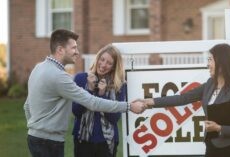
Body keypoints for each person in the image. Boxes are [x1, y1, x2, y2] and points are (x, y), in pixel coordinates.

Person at [23, 29, 146, 157]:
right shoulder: (60, 76)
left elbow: (27, 105)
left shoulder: (38, 68)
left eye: (109, 63)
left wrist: (34, 129)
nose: (77, 52)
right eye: (74, 48)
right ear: (60, 50)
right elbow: (91, 103)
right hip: (49, 142)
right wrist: (129, 106)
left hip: (36, 138)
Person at [141, 43, 230, 157]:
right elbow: (182, 98)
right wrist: (151, 102)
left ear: (222, 63)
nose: (208, 64)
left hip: (229, 152)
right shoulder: (210, 84)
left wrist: (219, 128)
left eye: (210, 60)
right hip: (210, 149)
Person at [72, 45, 126, 157]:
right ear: (97, 59)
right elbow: (76, 111)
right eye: (102, 59)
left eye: (109, 63)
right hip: (83, 140)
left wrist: (102, 95)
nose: (103, 65)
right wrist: (89, 90)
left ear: (114, 67)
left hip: (106, 142)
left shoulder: (118, 85)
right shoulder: (81, 79)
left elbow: (114, 118)